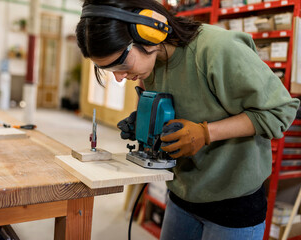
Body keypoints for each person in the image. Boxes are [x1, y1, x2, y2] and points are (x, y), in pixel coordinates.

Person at [75, 0, 300, 239]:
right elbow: (187, 103)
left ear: (147, 31)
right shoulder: (152, 62)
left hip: (233, 204)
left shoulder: (216, 49)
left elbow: (281, 112)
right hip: (182, 197)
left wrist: (206, 133)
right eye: (110, 70)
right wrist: (144, 120)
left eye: (121, 64)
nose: (120, 78)